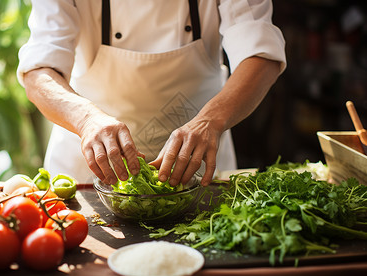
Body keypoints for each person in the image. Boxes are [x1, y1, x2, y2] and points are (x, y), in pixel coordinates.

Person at [17, 0, 286, 187]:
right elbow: (38, 72)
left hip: (200, 168)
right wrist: (86, 119)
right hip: (88, 172)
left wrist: (210, 122)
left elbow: (261, 55)